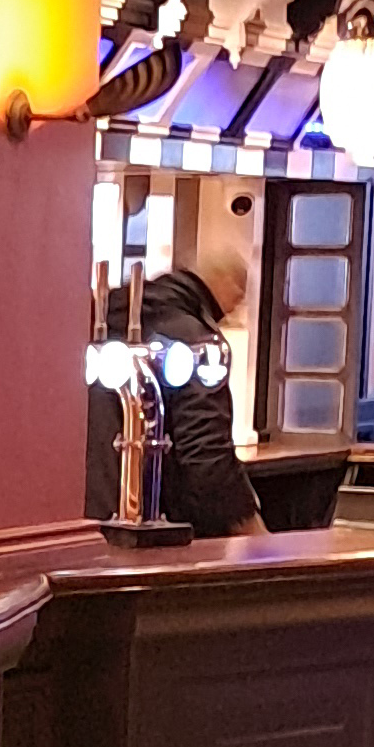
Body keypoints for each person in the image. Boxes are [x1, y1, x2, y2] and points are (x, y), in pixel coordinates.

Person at [140, 219, 266, 538]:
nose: (239, 300)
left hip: (98, 517)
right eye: (239, 288)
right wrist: (248, 526)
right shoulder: (198, 343)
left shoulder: (117, 321)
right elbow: (205, 452)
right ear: (218, 282)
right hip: (169, 527)